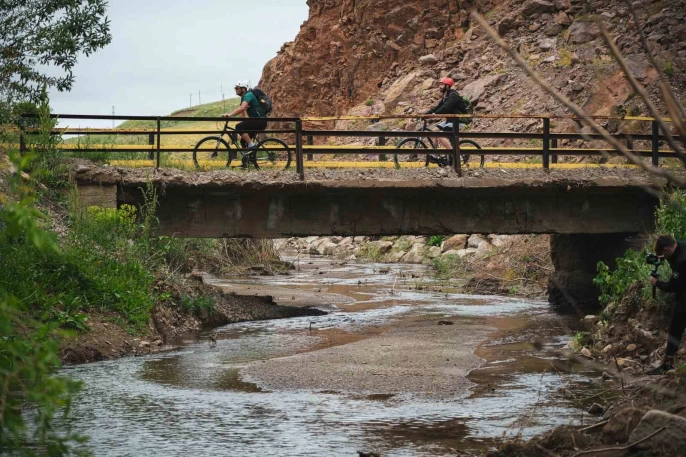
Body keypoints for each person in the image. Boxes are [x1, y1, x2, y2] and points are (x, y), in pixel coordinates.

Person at [648, 234, 686, 374]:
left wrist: (656, 283)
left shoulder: (682, 261)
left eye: (663, 255)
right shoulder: (681, 245)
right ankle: (668, 365)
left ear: (666, 249)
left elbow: (672, 286)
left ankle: (668, 365)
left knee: (675, 328)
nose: (662, 258)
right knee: (675, 327)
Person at [221, 80, 267, 150]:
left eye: (237, 88)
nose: (235, 89)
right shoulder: (245, 97)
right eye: (235, 88)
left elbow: (242, 108)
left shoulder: (248, 95)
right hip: (258, 121)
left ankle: (252, 146)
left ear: (243, 89)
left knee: (239, 127)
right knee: (243, 141)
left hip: (259, 121)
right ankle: (251, 155)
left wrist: (230, 115)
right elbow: (242, 111)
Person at [426, 77, 468, 151]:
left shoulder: (453, 95)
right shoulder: (446, 96)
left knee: (441, 135)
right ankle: (435, 154)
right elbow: (438, 107)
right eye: (440, 84)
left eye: (442, 85)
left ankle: (453, 155)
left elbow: (446, 107)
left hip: (458, 121)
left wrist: (435, 113)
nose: (440, 86)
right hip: (450, 120)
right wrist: (426, 114)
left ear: (447, 86)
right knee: (433, 132)